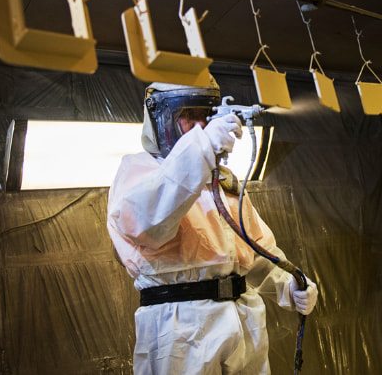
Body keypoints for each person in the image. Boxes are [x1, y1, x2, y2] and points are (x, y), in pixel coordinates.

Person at [107, 77, 318, 374]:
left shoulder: (223, 182)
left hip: (243, 319)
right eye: (187, 116)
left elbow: (255, 250)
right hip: (181, 327)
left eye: (204, 116)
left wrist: (289, 284)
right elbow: (149, 226)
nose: (198, 126)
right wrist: (201, 149)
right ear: (161, 120)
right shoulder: (141, 172)